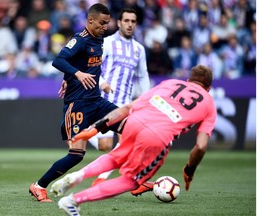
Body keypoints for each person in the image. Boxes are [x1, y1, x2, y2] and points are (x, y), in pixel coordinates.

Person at [50, 64, 217, 215]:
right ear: (208, 88)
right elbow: (201, 146)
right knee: (132, 181)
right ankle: (73, 200)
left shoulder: (171, 83)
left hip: (134, 122)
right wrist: (189, 170)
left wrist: (95, 128)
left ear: (188, 80)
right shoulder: (208, 103)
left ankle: (78, 175)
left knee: (115, 157)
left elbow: (128, 107)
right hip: (157, 136)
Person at [29, 3, 123, 202]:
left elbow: (78, 62)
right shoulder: (79, 40)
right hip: (78, 103)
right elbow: (59, 60)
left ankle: (135, 177)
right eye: (102, 23)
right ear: (90, 20)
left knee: (129, 124)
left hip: (96, 101)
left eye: (107, 23)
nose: (105, 27)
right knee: (77, 154)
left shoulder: (99, 40)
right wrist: (76, 75)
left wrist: (68, 77)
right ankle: (39, 186)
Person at [88, 7, 150, 186]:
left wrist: (145, 98)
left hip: (124, 104)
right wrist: (102, 83)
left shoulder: (139, 49)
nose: (130, 25)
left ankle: (103, 179)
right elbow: (93, 68)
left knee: (127, 144)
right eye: (127, 21)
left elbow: (143, 75)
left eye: (133, 21)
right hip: (104, 101)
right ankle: (84, 130)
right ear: (119, 22)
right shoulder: (106, 43)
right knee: (106, 146)